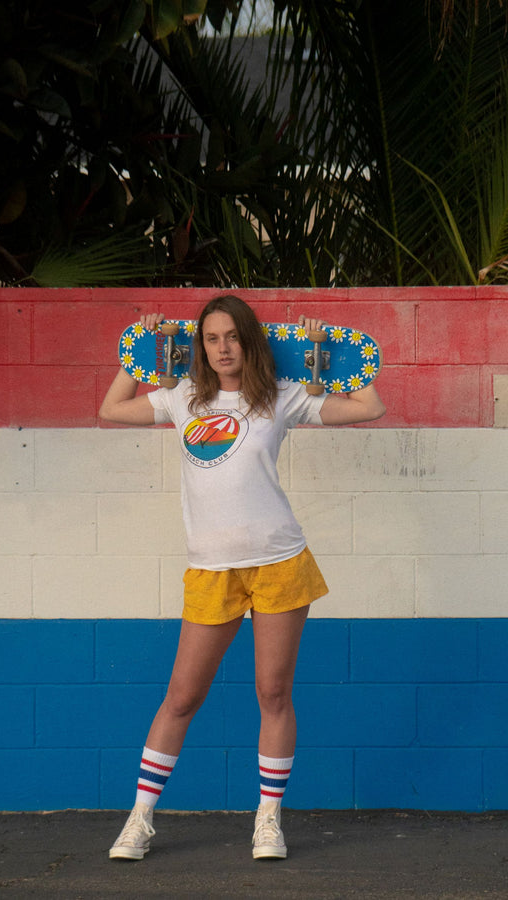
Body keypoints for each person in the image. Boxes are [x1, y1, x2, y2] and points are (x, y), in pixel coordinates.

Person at [99, 294, 385, 861]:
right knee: (181, 696)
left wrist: (323, 352)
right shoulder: (183, 397)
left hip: (279, 561)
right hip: (211, 570)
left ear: (249, 340)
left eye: (232, 336)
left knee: (273, 693)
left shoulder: (281, 396)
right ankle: (139, 819)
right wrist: (139, 352)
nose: (222, 348)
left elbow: (369, 407)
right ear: (199, 346)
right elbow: (111, 409)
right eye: (211, 338)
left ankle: (268, 821)